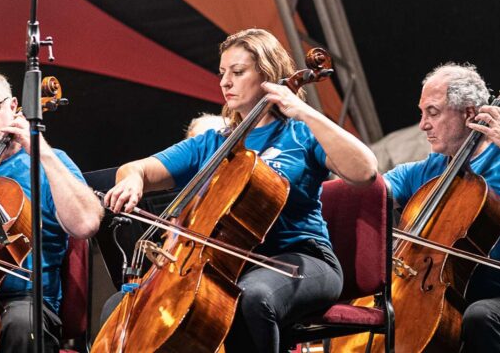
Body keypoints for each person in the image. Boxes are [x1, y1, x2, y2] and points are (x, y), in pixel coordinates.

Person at [102, 28, 379, 352]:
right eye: (222, 73)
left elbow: (365, 172)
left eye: (237, 72)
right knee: (120, 308)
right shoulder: (214, 143)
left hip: (301, 259)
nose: (225, 82)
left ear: (268, 74)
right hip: (229, 266)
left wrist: (302, 110)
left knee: (251, 298)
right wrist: (133, 179)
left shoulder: (301, 134)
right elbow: (139, 168)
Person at [383, 62, 500, 352]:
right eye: (422, 113)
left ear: (469, 113)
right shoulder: (426, 171)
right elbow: (371, 193)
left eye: (432, 112)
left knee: (479, 317)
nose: (423, 124)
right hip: (440, 300)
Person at [0, 68, 103, 350]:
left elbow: (87, 224)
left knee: (20, 325)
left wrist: (40, 150)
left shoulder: (48, 164)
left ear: (13, 108)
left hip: (25, 301)